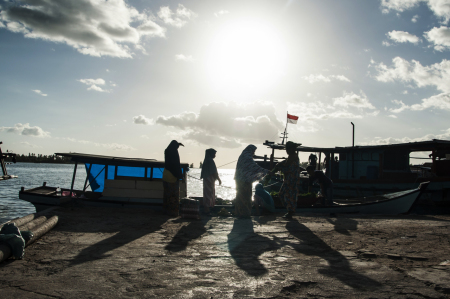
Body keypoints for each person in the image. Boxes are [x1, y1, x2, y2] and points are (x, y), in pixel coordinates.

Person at [264, 141, 301, 219]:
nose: (286, 151)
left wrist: (279, 167)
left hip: (292, 181)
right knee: (281, 194)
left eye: (287, 149)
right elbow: (285, 163)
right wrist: (279, 165)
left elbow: (288, 167)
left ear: (291, 149)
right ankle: (289, 210)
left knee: (289, 195)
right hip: (287, 180)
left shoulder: (293, 156)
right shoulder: (291, 156)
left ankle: (290, 212)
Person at [234, 145, 269, 218]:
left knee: (240, 196)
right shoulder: (247, 157)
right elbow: (254, 166)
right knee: (245, 197)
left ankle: (239, 213)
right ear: (251, 150)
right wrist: (265, 171)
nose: (254, 153)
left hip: (240, 180)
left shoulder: (243, 155)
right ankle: (244, 213)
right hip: (244, 181)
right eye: (253, 151)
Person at [163, 140, 185, 217]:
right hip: (172, 177)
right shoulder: (174, 152)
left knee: (167, 195)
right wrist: (181, 176)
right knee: (174, 196)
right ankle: (173, 212)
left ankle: (166, 210)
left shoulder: (167, 150)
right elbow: (176, 165)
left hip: (165, 174)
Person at [200, 148, 222, 215]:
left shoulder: (206, 160)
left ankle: (207, 209)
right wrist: (218, 179)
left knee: (207, 193)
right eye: (214, 153)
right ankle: (207, 210)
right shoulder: (210, 160)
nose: (215, 155)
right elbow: (214, 172)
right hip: (209, 180)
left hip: (206, 180)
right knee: (209, 194)